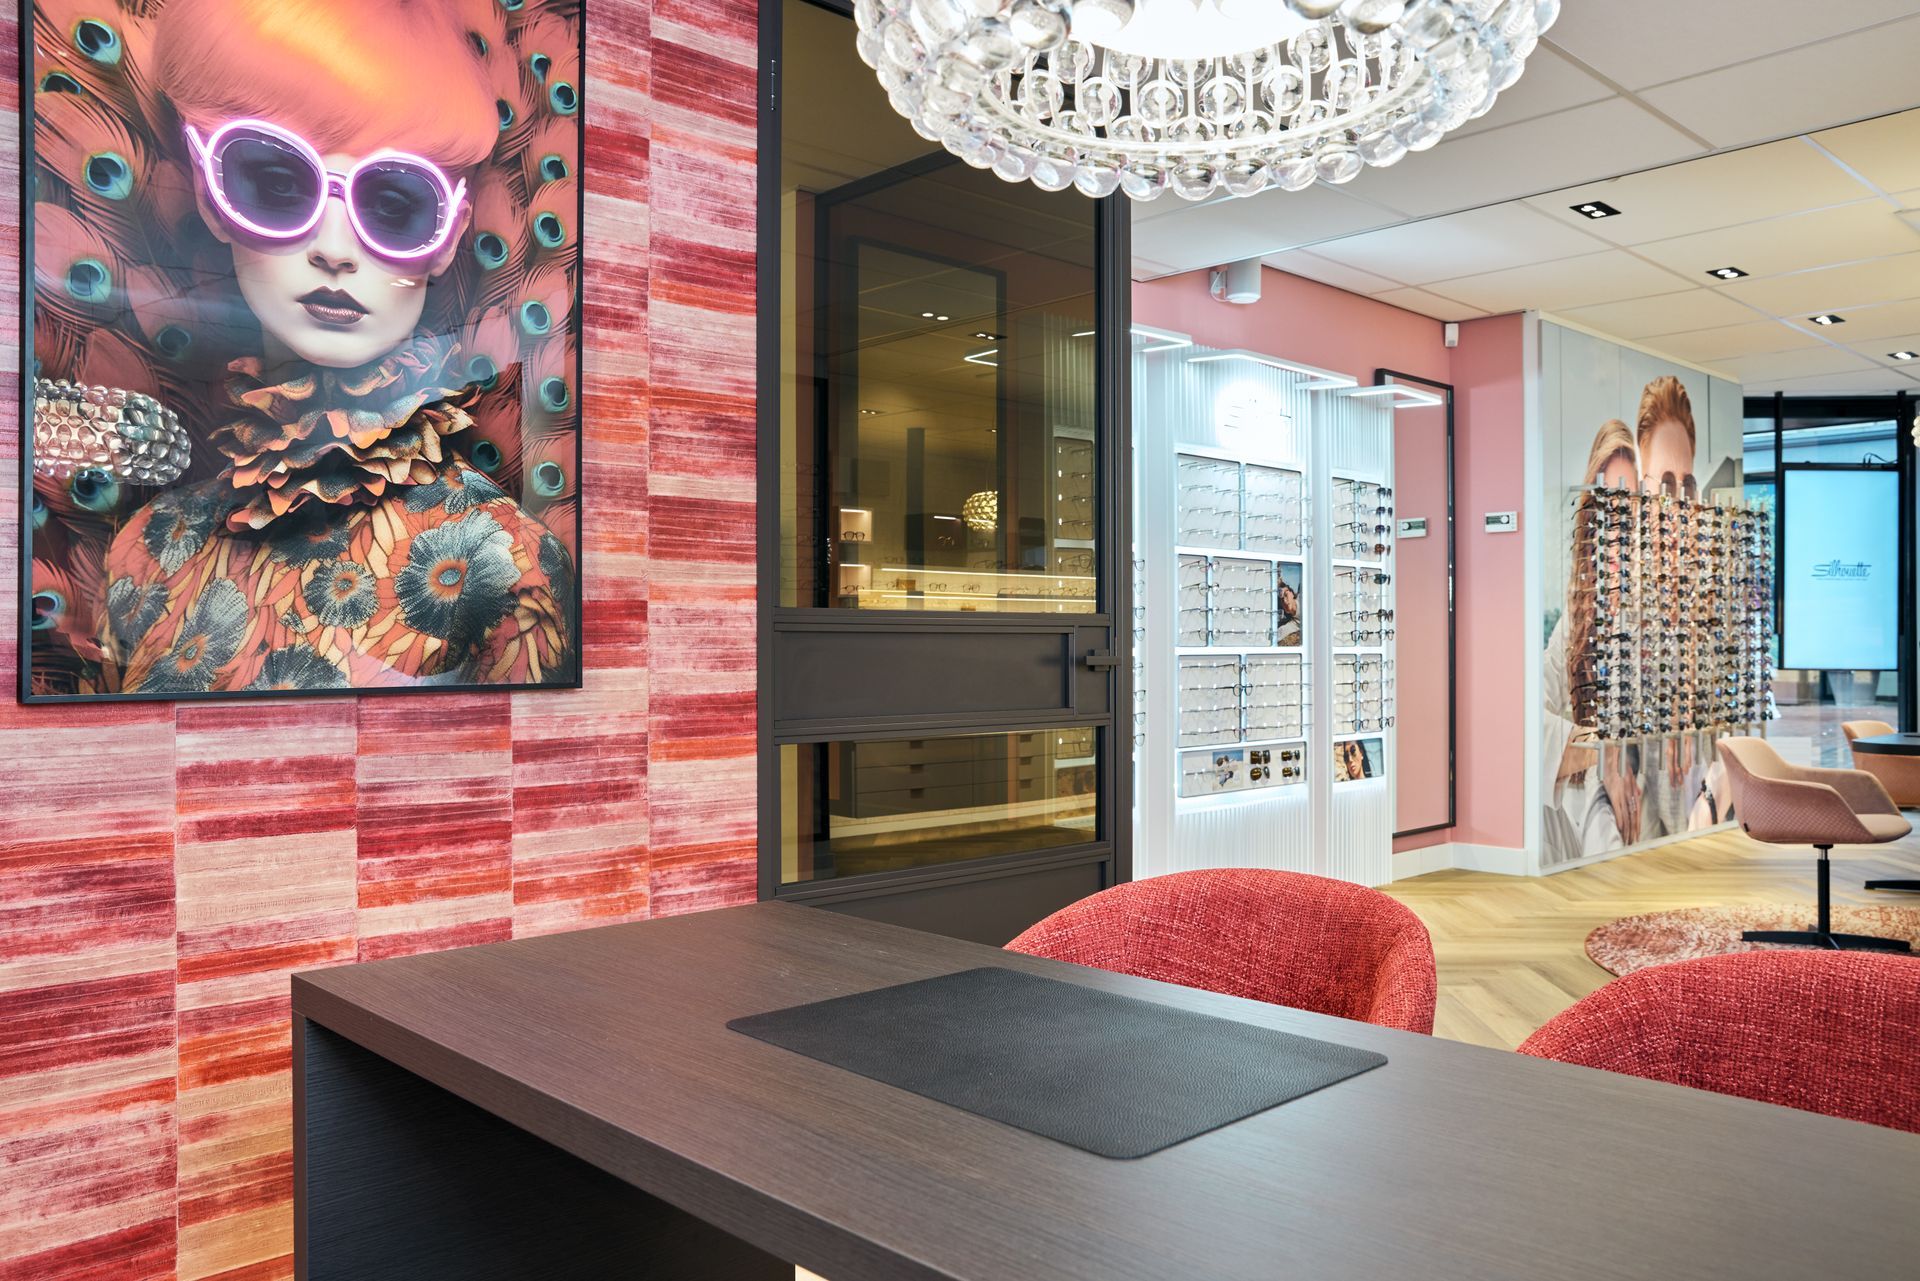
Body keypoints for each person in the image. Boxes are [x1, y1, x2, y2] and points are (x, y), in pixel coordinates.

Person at [86, 0, 576, 692]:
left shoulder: (508, 565)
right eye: (277, 184)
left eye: (396, 205)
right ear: (209, 189)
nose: (335, 249)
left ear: (451, 234)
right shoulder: (146, 551)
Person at [1542, 418, 1640, 865]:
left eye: (1630, 509)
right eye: (1608, 509)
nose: (1620, 527)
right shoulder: (1577, 620)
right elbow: (1530, 714)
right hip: (1596, 815)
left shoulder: (1664, 614)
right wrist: (1605, 755)